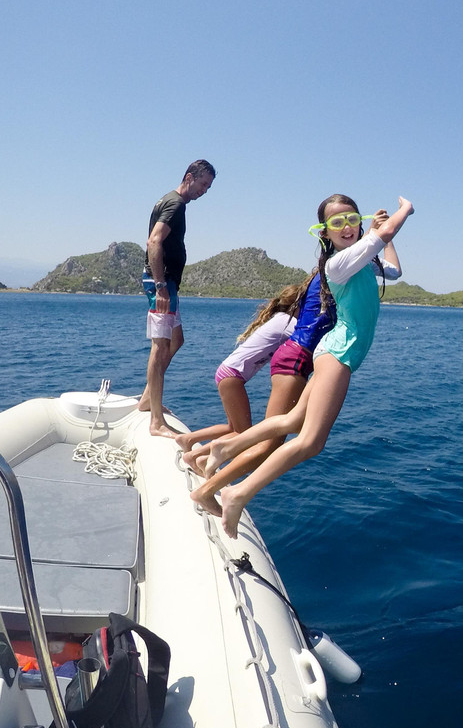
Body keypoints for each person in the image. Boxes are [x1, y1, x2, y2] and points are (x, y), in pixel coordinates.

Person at [201, 193, 413, 537]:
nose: (346, 226)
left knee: (293, 420)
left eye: (352, 219)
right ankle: (237, 494)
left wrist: (382, 234)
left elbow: (394, 269)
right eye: (336, 222)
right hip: (338, 354)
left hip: (336, 353)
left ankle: (226, 447)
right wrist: (404, 212)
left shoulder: (364, 261)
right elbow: (383, 237)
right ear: (324, 233)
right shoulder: (338, 264)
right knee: (310, 441)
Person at [176, 282, 308, 473]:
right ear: (297, 306)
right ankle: (195, 456)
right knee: (244, 434)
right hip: (232, 377)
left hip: (228, 373)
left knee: (233, 428)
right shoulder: (287, 322)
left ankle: (187, 440)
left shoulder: (280, 319)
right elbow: (309, 337)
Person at [138, 159, 216, 438]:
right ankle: (155, 421)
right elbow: (154, 241)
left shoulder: (168, 200)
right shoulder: (176, 204)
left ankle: (149, 397)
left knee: (176, 340)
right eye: (203, 184)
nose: (204, 191)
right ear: (189, 177)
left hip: (168, 284)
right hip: (162, 285)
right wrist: (160, 287)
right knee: (160, 348)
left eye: (208, 187)